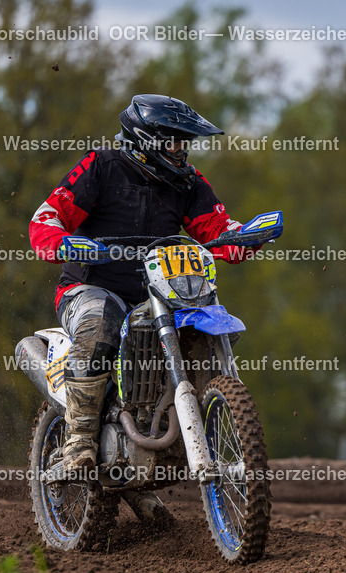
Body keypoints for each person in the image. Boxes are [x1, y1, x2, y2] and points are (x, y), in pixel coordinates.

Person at [27, 94, 252, 481]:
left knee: (202, 325)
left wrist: (245, 237)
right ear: (145, 140)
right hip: (90, 288)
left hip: (159, 294)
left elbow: (217, 230)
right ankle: (79, 442)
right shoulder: (102, 166)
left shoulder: (188, 182)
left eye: (185, 142)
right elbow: (48, 216)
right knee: (102, 321)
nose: (181, 151)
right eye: (173, 141)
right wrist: (60, 240)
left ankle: (183, 427)